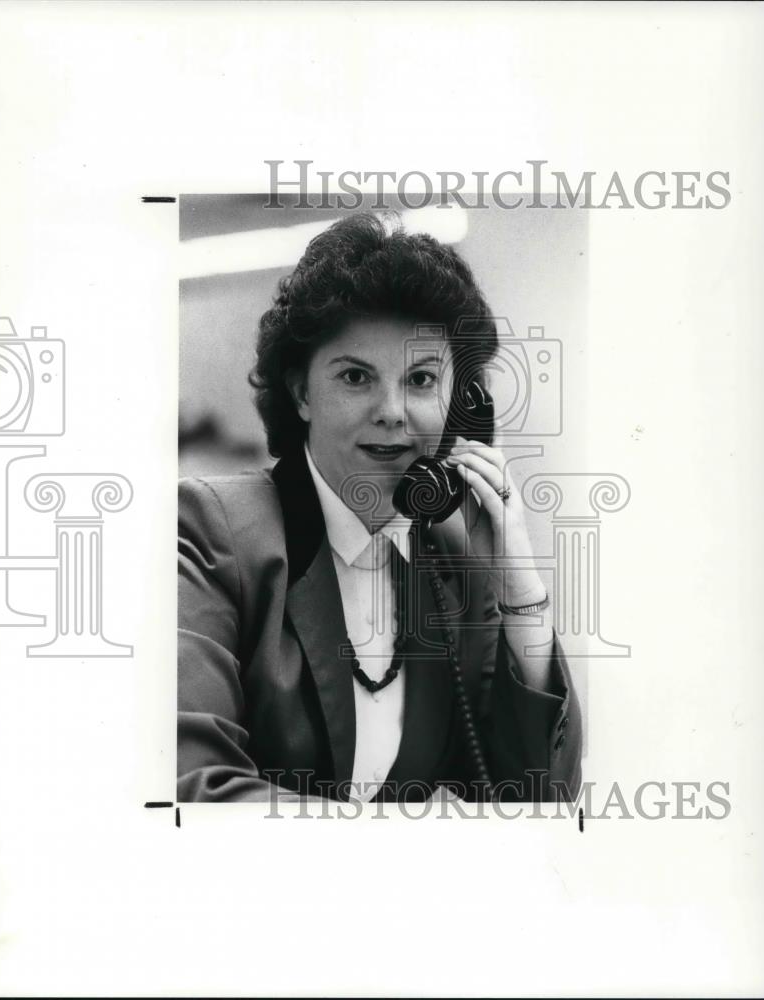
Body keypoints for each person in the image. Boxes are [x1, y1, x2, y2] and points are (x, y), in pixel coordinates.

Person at [177, 212, 582, 804]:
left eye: (421, 380)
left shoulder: (452, 564)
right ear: (300, 392)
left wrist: (518, 584)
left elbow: (539, 796)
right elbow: (196, 787)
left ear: (460, 405)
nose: (393, 410)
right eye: (357, 377)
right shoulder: (212, 529)